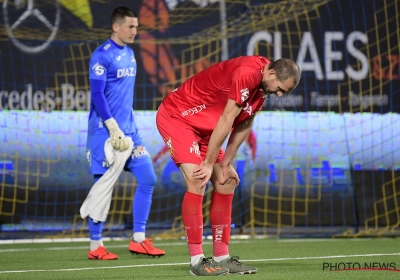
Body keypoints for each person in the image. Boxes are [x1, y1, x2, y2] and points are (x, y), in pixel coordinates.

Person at [156, 56, 300, 275]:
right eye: (280, 89)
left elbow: (244, 123)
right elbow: (226, 119)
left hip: (205, 130)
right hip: (178, 117)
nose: (279, 94)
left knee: (226, 181)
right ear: (271, 74)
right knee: (197, 178)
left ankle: (221, 257)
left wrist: (226, 163)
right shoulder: (247, 73)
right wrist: (208, 163)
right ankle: (197, 261)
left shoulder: (263, 86)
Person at [85, 6, 165, 260]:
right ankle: (95, 246)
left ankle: (138, 239)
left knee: (149, 178)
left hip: (130, 134)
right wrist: (111, 126)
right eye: (130, 26)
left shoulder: (130, 54)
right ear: (116, 27)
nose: (134, 31)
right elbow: (97, 95)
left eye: (136, 27)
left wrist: (127, 128)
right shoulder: (101, 56)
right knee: (102, 188)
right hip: (104, 134)